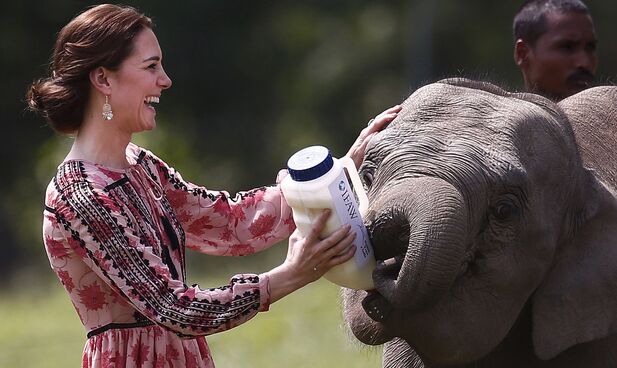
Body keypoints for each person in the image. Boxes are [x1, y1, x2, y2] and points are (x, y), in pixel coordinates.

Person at [26, 4, 400, 367]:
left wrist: (337, 173)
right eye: (151, 66)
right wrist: (290, 275)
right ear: (104, 78)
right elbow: (174, 308)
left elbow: (231, 223)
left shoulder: (140, 165)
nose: (165, 80)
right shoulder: (81, 195)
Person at [512, 0, 598, 101]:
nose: (584, 63)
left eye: (590, 47)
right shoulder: (499, 115)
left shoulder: (615, 115)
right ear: (522, 53)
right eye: (567, 47)